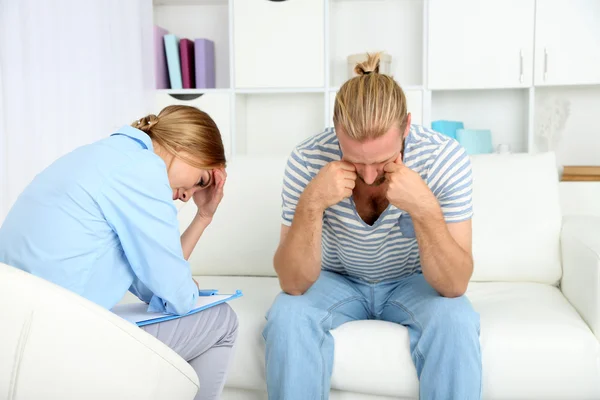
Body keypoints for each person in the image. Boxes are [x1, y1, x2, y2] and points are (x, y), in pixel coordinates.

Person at [263, 53, 481, 400]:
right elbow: (292, 283)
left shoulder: (444, 158)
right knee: (288, 314)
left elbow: (455, 285)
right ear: (336, 131)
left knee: (456, 319)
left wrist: (424, 206)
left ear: (406, 127)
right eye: (354, 160)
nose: (367, 175)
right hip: (335, 280)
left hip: (414, 282)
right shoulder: (307, 158)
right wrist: (312, 203)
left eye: (382, 160)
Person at [0, 105, 238, 400]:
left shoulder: (106, 155)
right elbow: (177, 297)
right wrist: (182, 289)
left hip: (16, 331)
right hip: (59, 343)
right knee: (222, 320)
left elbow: (153, 286)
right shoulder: (144, 172)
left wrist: (203, 217)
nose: (189, 195)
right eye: (201, 180)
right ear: (185, 147)